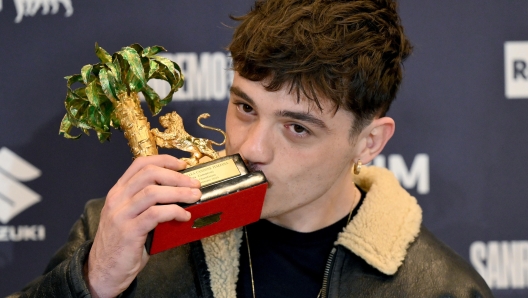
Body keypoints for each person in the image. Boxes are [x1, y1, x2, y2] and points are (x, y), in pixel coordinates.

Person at [10, 0, 493, 297]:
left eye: (297, 128)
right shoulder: (125, 233)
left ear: (369, 142)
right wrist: (89, 284)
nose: (251, 146)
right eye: (244, 107)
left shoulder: (442, 290)